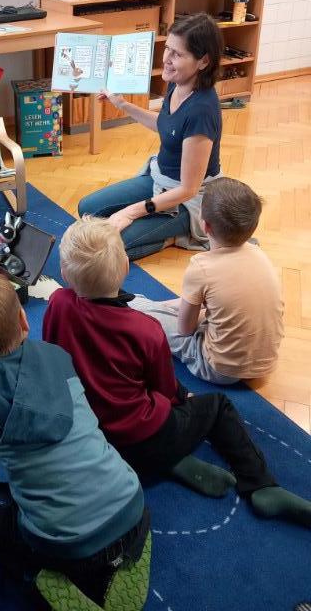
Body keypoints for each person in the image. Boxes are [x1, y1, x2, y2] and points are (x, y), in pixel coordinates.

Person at [43, 217, 311, 529]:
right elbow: (166, 390)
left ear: (64, 273)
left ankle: (168, 461)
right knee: (217, 407)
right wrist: (185, 395)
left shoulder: (58, 304)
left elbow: (53, 356)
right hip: (142, 435)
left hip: (91, 438)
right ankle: (262, 485)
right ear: (126, 267)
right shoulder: (145, 329)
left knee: (153, 424)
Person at [0, 271, 152, 611]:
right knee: (116, 499)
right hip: (130, 504)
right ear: (24, 319)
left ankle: (45, 578)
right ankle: (126, 561)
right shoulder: (58, 357)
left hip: (65, 547)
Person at [78, 13, 224, 261]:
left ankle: (175, 236)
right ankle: (159, 229)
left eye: (177, 54)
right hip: (160, 179)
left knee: (110, 247)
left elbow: (188, 190)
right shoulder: (176, 83)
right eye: (167, 48)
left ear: (203, 61)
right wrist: (122, 104)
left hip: (187, 200)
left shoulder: (202, 111)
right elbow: (166, 125)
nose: (166, 59)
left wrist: (132, 212)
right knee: (87, 209)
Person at [128, 178, 284, 385]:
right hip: (266, 362)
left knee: (134, 306)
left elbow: (185, 330)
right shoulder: (259, 255)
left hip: (219, 370)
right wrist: (166, 306)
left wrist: (153, 308)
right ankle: (157, 308)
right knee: (196, 309)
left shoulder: (201, 267)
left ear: (204, 224)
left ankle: (139, 308)